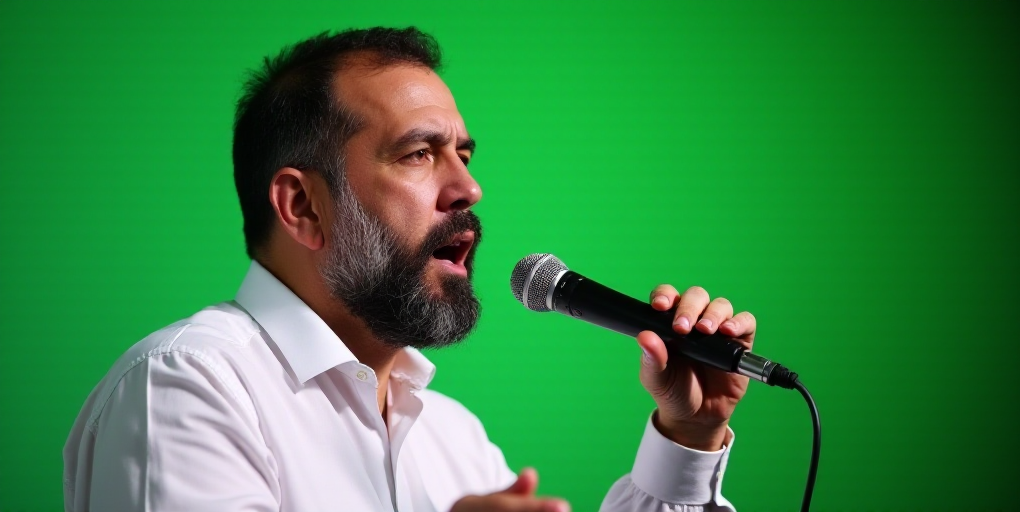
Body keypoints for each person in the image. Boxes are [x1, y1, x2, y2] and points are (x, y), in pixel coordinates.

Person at [63, 27, 757, 512]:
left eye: (464, 153)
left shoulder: (453, 438)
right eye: (419, 154)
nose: (468, 189)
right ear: (302, 205)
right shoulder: (187, 388)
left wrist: (686, 436)